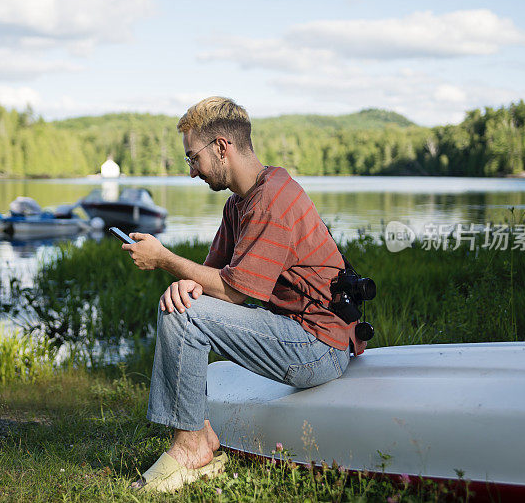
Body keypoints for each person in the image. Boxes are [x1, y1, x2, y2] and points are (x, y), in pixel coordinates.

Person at [124, 96, 366, 492]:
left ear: (221, 147)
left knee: (183, 315)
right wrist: (190, 284)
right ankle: (197, 438)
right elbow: (212, 278)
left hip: (320, 347)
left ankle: (191, 448)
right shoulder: (239, 204)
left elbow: (235, 293)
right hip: (291, 332)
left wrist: (165, 259)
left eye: (192, 159)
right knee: (181, 304)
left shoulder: (273, 199)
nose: (191, 172)